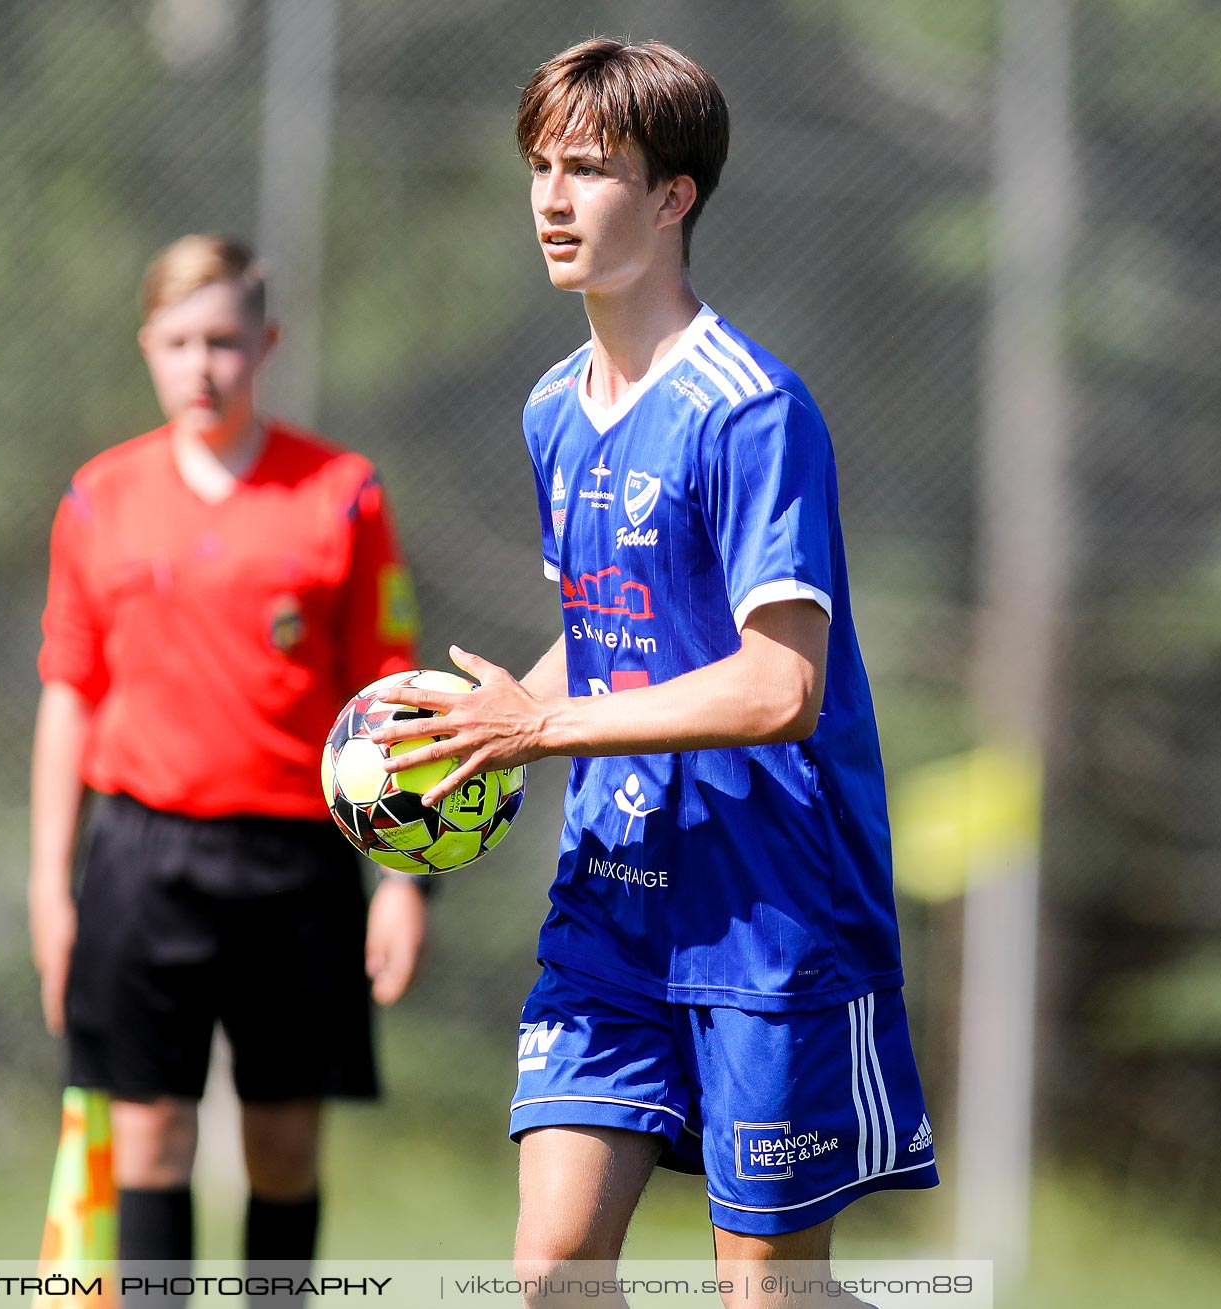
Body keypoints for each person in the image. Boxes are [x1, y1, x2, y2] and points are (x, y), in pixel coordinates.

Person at [372, 39, 937, 1307]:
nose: (553, 199)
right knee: (555, 1264)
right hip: (613, 899)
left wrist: (543, 730)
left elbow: (779, 685)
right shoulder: (551, 410)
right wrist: (474, 728)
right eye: (539, 166)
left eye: (592, 168)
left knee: (768, 1295)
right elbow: (615, 625)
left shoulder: (751, 411)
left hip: (771, 909)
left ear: (675, 195)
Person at [28, 234, 427, 1292]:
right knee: (150, 1142)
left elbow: (392, 702)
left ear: (268, 344)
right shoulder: (99, 497)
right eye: (179, 342)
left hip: (297, 864)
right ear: (147, 348)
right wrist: (47, 888)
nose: (203, 366)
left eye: (225, 341)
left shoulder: (341, 493)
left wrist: (401, 880)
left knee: (284, 1146)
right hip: (140, 859)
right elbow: (68, 696)